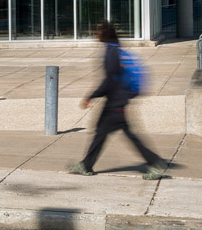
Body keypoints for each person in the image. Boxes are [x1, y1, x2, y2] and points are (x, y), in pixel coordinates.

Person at [68, 20, 164, 179]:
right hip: (117, 100)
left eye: (99, 31)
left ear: (105, 34)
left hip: (116, 102)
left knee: (125, 135)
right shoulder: (114, 50)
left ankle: (154, 163)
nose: (96, 34)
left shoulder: (111, 53)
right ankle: (86, 164)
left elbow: (110, 80)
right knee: (102, 132)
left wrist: (91, 96)